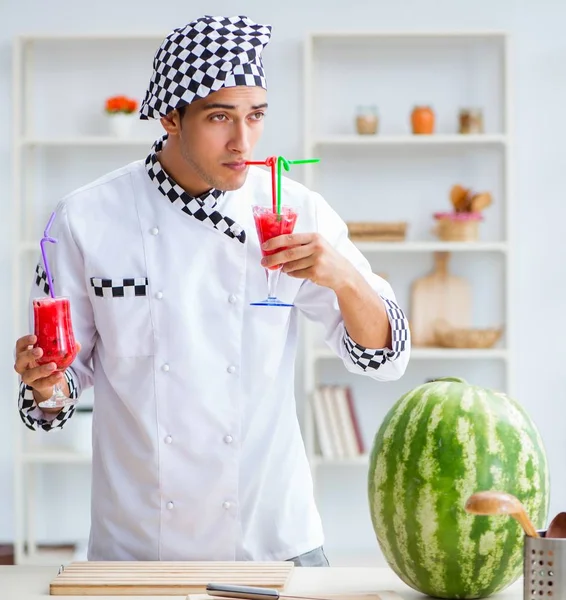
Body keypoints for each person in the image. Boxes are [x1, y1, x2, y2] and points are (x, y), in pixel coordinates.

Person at [13, 15, 411, 565]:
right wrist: (44, 383)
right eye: (220, 117)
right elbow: (59, 394)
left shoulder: (294, 211)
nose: (242, 142)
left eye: (255, 117)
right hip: (136, 551)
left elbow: (382, 357)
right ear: (170, 116)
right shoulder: (85, 218)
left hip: (277, 542)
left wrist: (340, 274)